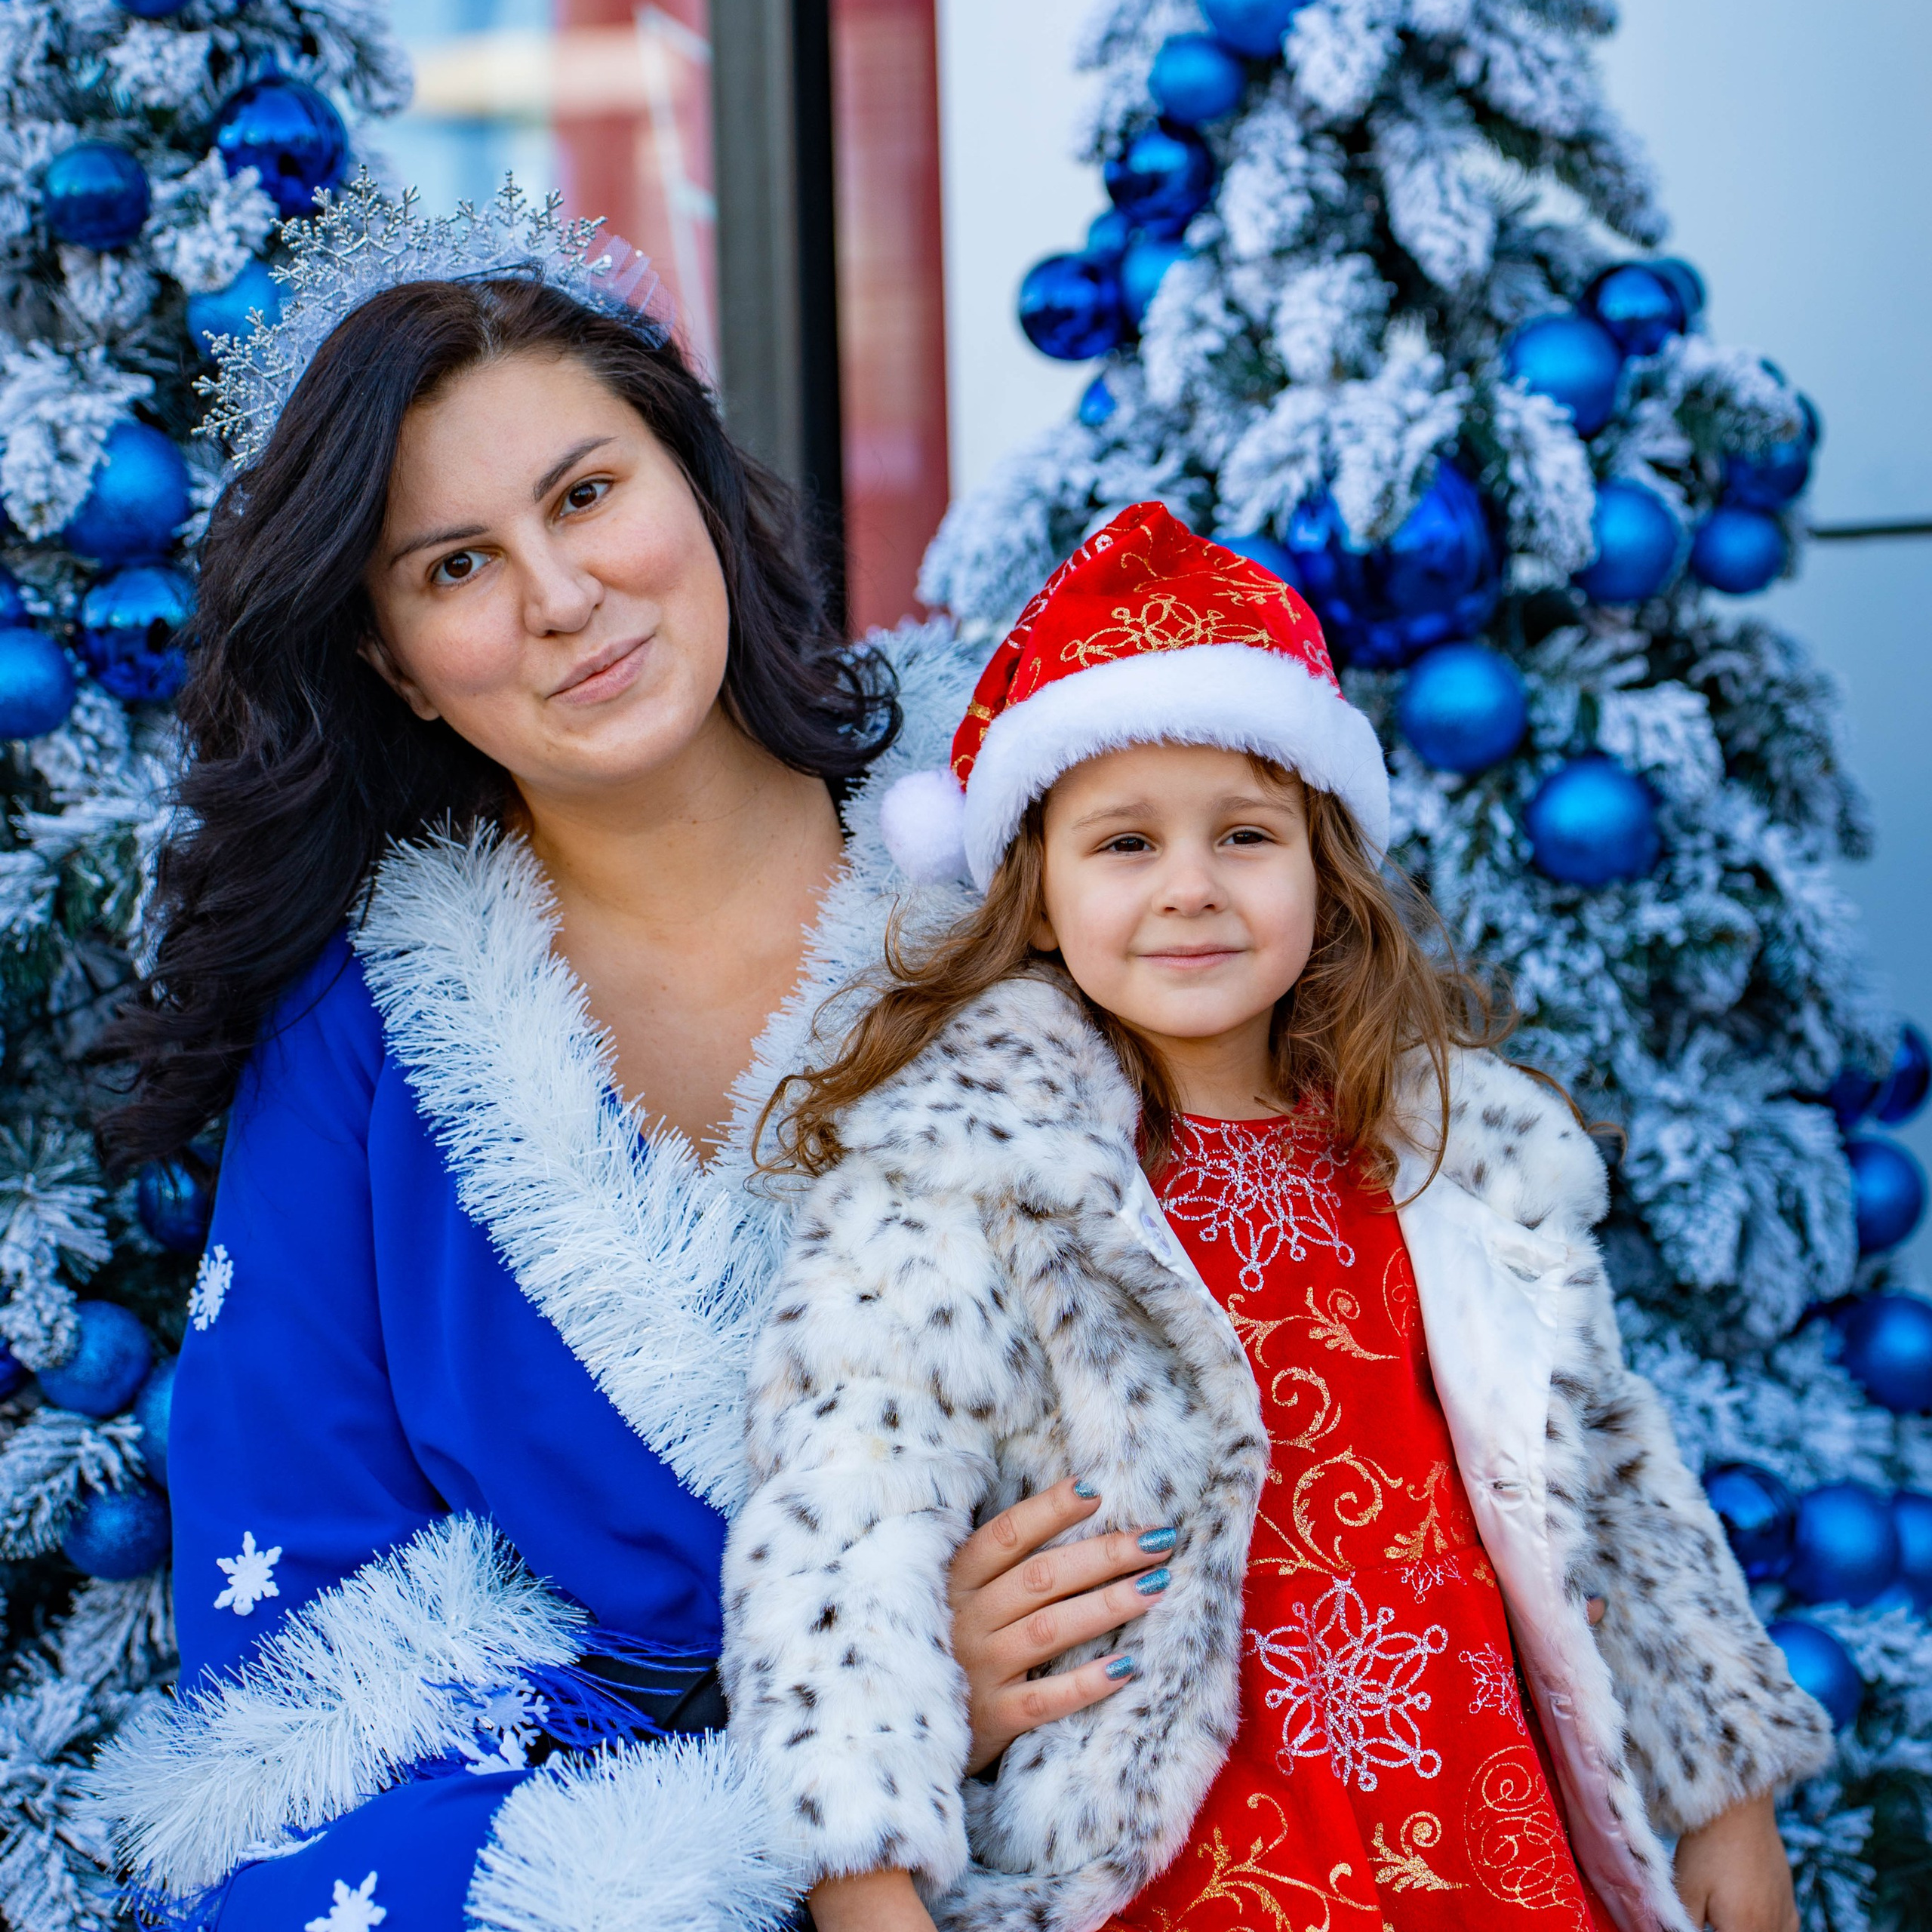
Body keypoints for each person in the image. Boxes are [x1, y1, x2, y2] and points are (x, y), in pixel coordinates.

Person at [90, 183, 1167, 1930]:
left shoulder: (1038, 861)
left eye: (586, 494)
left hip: (1161, 1786)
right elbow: (304, 1700)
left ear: (695, 483)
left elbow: (1313, 1311)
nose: (563, 595)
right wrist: (851, 1723)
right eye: (457, 566)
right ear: (396, 662)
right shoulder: (358, 1041)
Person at [722, 502, 1832, 1932]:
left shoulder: (1452, 1158)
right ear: (1041, 896)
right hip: (1167, 1860)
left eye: (1244, 833)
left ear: (1324, 872)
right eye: (1125, 843)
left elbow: (1608, 1470)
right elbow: (841, 1532)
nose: (1191, 887)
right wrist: (867, 1886)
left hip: (1477, 1827)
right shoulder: (962, 1181)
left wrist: (1726, 1797)